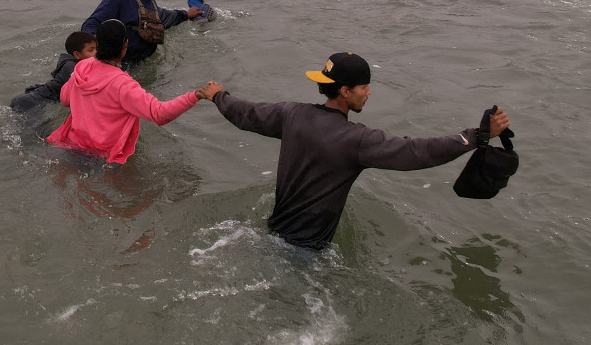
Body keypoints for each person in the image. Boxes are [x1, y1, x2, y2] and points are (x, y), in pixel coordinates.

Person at [197, 52, 511, 251]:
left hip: (273, 233)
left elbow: (245, 114)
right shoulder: (357, 141)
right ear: (345, 91)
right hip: (309, 248)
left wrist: (219, 95)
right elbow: (419, 152)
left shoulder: (290, 114)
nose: (369, 92)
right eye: (364, 87)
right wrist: (477, 135)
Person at [47, 19, 210, 164]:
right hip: (103, 157)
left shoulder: (81, 67)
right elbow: (160, 114)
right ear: (125, 45)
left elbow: (65, 99)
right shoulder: (123, 84)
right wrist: (195, 96)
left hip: (71, 146)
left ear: (98, 44)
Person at [81, 0, 203, 69]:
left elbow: (165, 17)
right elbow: (90, 24)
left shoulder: (151, 3)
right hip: (119, 66)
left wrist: (186, 14)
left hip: (140, 65)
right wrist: (96, 58)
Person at [10, 31, 97, 113]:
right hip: (31, 102)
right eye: (91, 50)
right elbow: (85, 85)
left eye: (97, 48)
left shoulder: (69, 62)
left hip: (30, 99)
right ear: (77, 54)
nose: (96, 52)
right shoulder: (71, 66)